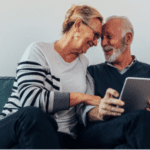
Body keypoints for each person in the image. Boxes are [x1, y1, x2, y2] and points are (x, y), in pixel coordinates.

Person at [0, 5, 106, 149]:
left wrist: (103, 107)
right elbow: (30, 100)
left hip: (59, 136)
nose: (95, 43)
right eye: (95, 35)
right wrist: (82, 97)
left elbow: (84, 109)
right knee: (33, 115)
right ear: (78, 24)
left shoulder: (84, 64)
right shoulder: (39, 51)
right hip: (16, 128)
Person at [79, 16, 150, 149]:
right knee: (140, 118)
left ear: (128, 38)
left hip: (137, 132)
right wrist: (99, 111)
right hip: (100, 131)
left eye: (109, 37)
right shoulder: (91, 72)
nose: (103, 43)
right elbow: (81, 111)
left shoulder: (148, 71)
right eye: (102, 38)